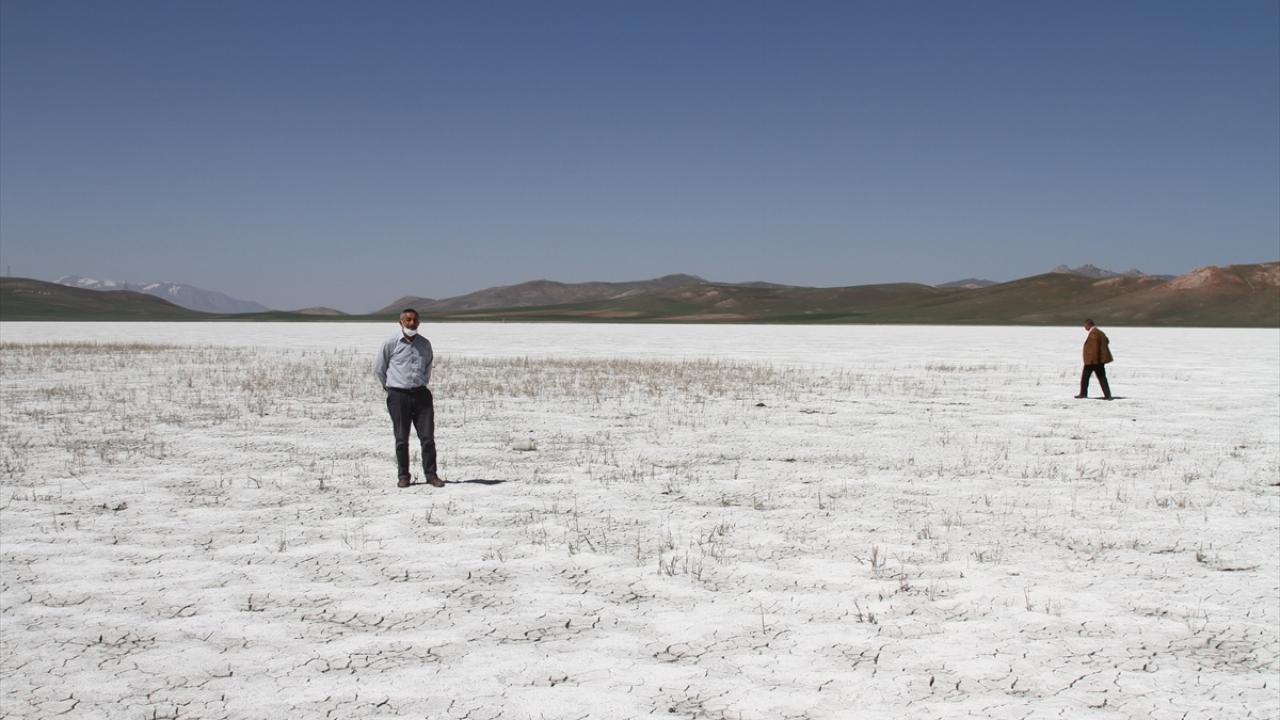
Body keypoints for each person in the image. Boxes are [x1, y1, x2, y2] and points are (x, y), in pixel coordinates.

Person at [373, 308, 444, 488]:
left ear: (419, 323)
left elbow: (427, 367)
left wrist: (421, 384)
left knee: (427, 437)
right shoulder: (390, 343)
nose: (412, 323)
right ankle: (403, 476)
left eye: (415, 320)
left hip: (421, 395)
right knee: (401, 439)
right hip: (398, 395)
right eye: (408, 320)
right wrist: (390, 389)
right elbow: (380, 368)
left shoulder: (425, 344)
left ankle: (431, 475)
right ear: (401, 323)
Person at [1075, 319, 1113, 400]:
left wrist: (1093, 360)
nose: (1084, 327)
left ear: (1089, 325)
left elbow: (1094, 348)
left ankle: (1083, 394)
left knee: (1085, 377)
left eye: (1085, 326)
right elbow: (1106, 340)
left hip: (1093, 360)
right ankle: (1107, 395)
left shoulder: (1094, 333)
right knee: (1102, 377)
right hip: (1099, 360)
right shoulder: (1099, 332)